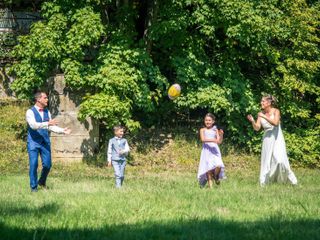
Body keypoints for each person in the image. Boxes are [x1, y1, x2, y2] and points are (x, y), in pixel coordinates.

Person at [247, 94, 298, 186]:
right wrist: (253, 121)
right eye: (261, 101)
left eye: (263, 101)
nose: (261, 103)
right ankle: (264, 182)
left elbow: (275, 122)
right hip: (267, 138)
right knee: (266, 161)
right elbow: (257, 128)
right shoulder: (261, 113)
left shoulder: (276, 111)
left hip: (277, 138)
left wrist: (263, 116)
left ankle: (290, 181)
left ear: (269, 103)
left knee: (280, 160)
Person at [26, 91, 71, 192]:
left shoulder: (47, 112)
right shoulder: (30, 112)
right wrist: (47, 123)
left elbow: (51, 127)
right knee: (33, 164)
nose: (47, 99)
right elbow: (33, 126)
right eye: (45, 98)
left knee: (47, 165)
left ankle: (41, 182)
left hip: (45, 142)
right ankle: (34, 188)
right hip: (33, 142)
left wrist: (63, 131)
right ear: (38, 99)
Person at [197, 113, 225, 188]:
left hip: (215, 150)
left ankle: (216, 176)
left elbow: (219, 141)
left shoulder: (215, 130)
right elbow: (203, 139)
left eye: (209, 120)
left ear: (213, 121)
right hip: (206, 151)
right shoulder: (202, 130)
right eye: (206, 120)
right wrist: (213, 140)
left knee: (218, 165)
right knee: (208, 168)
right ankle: (211, 188)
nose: (207, 122)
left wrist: (221, 135)